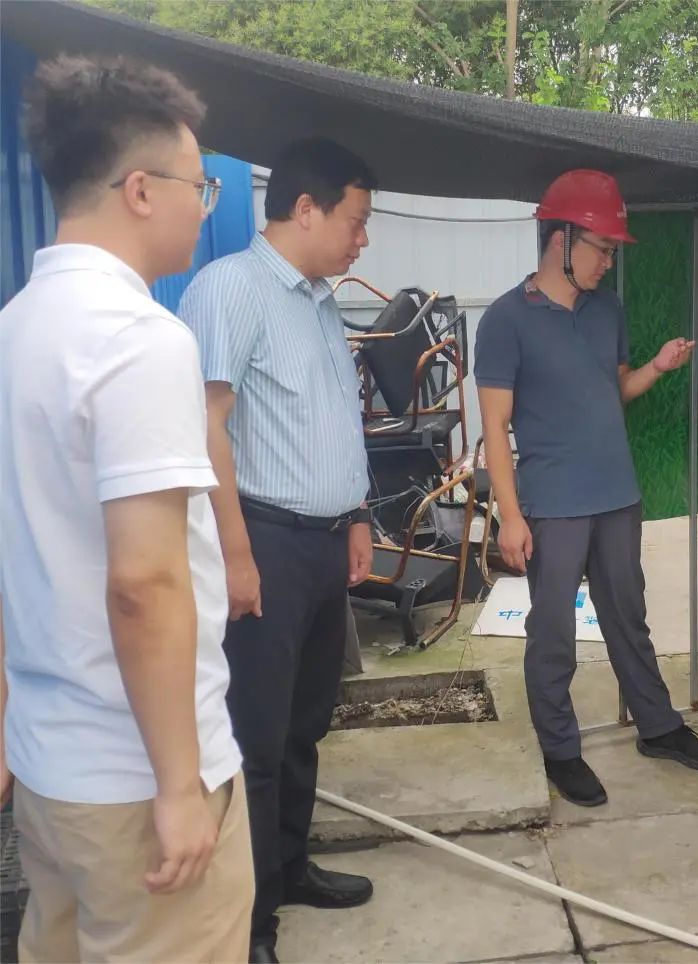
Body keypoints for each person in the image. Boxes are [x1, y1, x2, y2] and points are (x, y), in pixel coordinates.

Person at [0, 55, 253, 962]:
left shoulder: (15, 328)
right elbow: (144, 583)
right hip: (139, 784)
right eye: (199, 184)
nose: (206, 204)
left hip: (51, 772)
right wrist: (180, 786)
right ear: (140, 190)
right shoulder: (139, 338)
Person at [178, 136, 377, 964]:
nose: (362, 239)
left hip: (323, 545)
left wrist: (358, 515)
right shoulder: (231, 289)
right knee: (255, 742)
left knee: (305, 724)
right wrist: (235, 555)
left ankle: (290, 868)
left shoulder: (320, 302)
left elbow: (334, 419)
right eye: (355, 221)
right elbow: (207, 426)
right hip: (263, 541)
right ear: (305, 209)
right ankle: (250, 923)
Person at [475, 169, 698, 809]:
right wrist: (510, 516)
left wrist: (657, 367)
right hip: (553, 504)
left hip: (617, 494)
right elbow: (495, 428)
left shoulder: (607, 310)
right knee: (553, 631)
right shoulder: (505, 320)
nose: (609, 263)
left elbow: (613, 390)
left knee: (628, 616)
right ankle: (560, 748)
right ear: (561, 238)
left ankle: (658, 727)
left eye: (613, 251)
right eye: (602, 248)